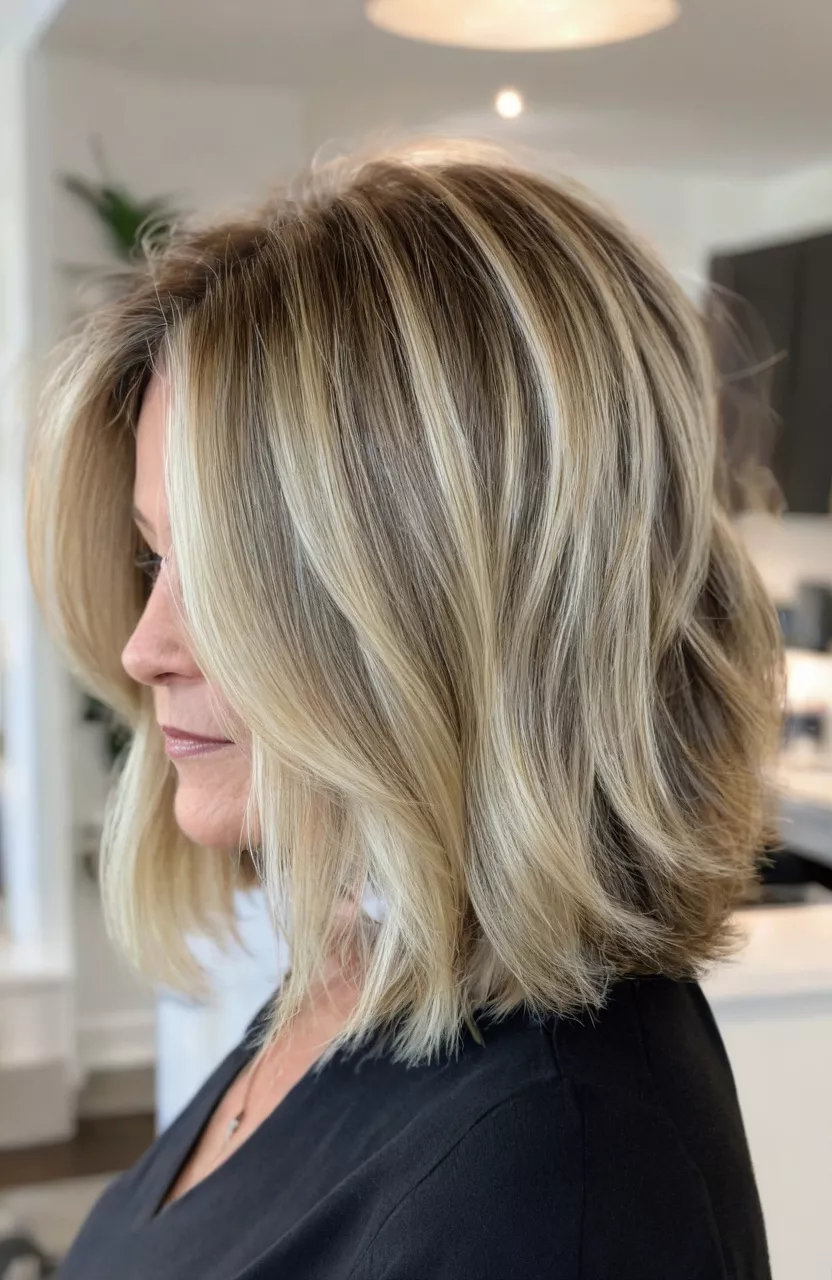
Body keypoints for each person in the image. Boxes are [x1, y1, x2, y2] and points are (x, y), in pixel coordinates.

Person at [26, 140, 782, 1279]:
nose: (144, 647)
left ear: (450, 607)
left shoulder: (544, 1190)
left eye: (230, 578)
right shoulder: (368, 957)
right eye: (152, 558)